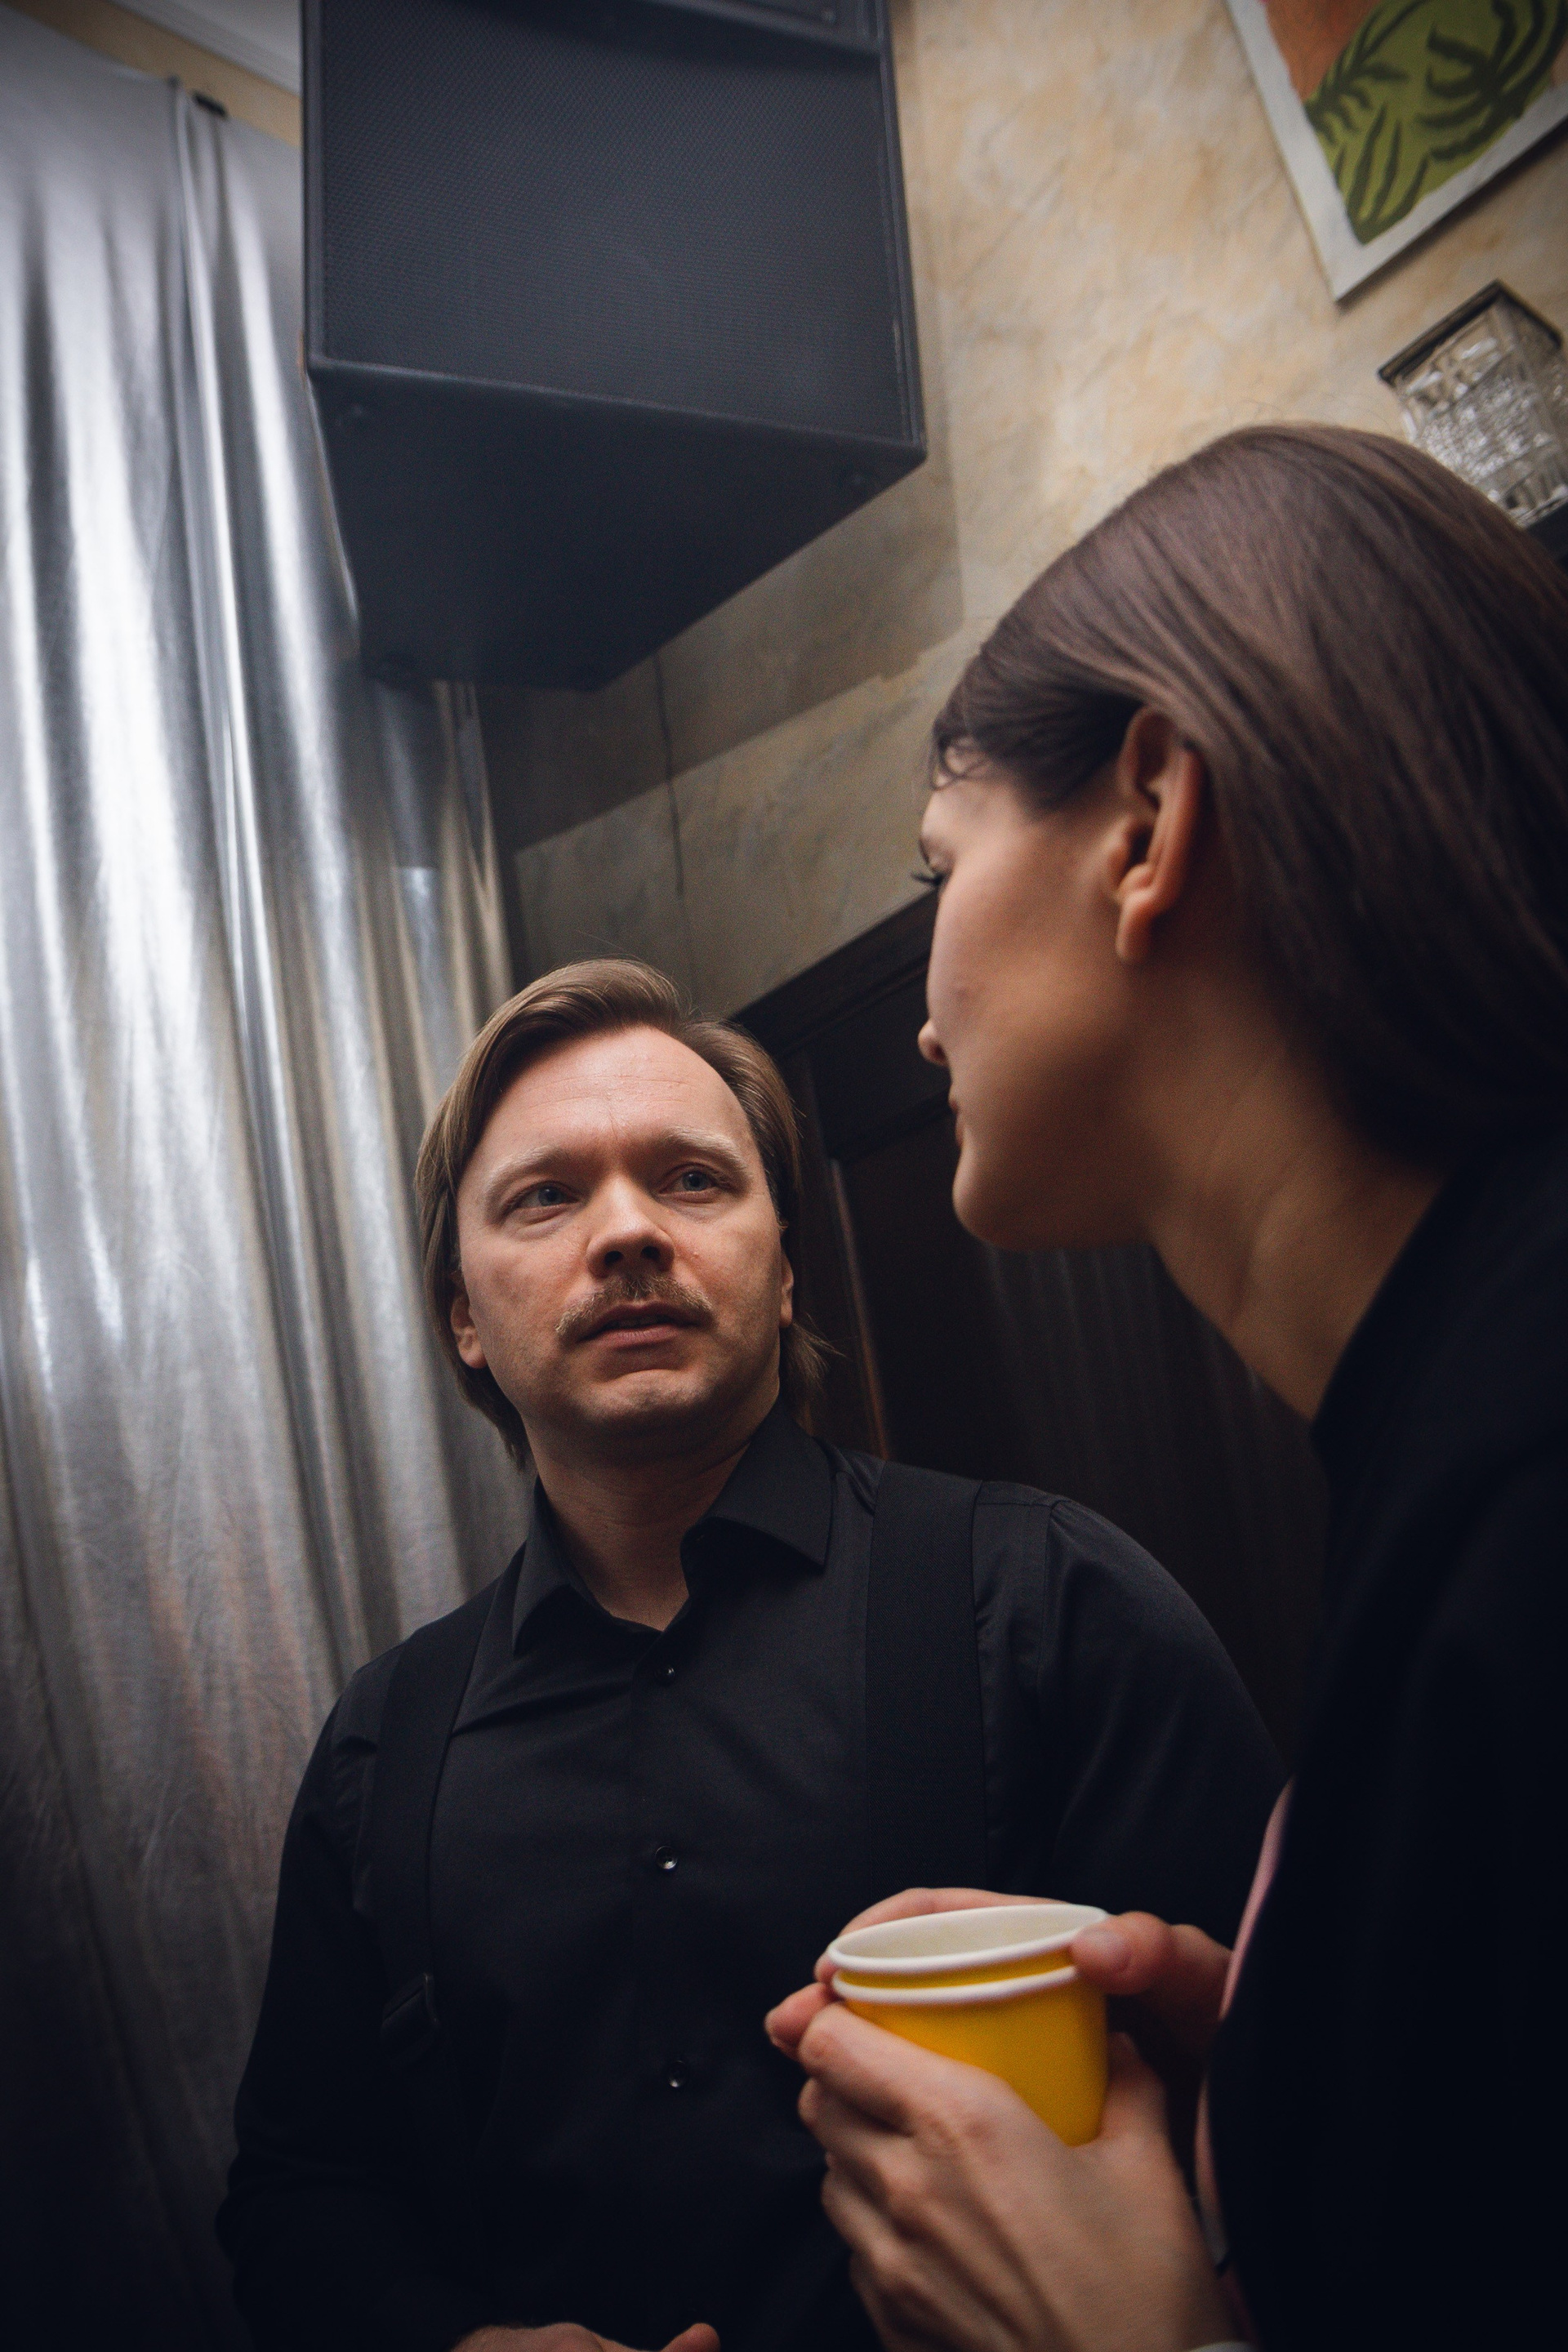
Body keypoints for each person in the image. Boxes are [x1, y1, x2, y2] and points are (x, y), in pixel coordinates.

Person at [768, 424, 1568, 2351]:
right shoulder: (1454, 1421)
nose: (924, 1013)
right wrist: (1303, 2098)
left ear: (1143, 824)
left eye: (939, 866)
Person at [216, 960, 1281, 2352]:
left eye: (692, 1180)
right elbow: (298, 2197)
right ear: (463, 1316)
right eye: (546, 1197)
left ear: (783, 1270)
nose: (627, 1233)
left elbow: (1317, 2093)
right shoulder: (381, 1747)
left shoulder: (1051, 1603)